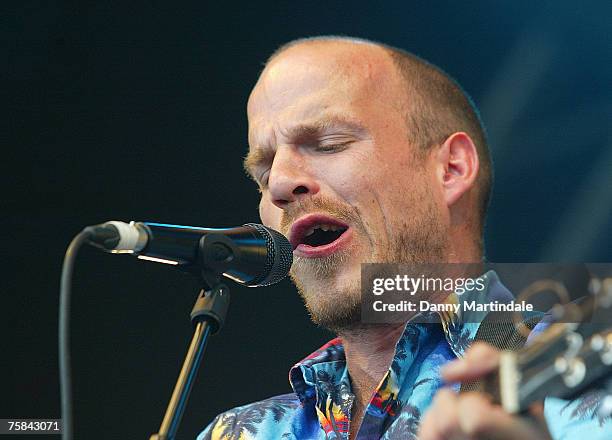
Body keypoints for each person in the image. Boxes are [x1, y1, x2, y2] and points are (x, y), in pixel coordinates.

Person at [198, 36, 611, 439]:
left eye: (328, 143)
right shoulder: (239, 432)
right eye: (264, 171)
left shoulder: (580, 385)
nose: (281, 184)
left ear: (450, 169)